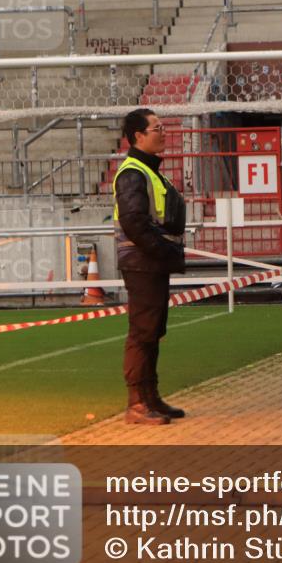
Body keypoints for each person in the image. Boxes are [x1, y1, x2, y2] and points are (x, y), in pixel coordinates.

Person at [114, 108, 187, 425]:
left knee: (152, 331)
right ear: (138, 136)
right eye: (157, 128)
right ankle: (137, 404)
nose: (163, 132)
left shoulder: (149, 170)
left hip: (150, 261)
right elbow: (134, 222)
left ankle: (151, 397)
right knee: (142, 332)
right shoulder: (133, 173)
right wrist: (162, 250)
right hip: (143, 262)